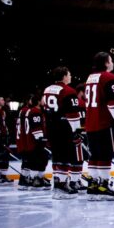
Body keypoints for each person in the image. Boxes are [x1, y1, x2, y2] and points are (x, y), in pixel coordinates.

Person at [83, 52, 114, 200]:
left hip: (91, 123)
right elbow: (112, 102)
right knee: (105, 155)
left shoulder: (90, 78)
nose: (112, 63)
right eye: (111, 60)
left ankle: (93, 184)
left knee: (94, 155)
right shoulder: (109, 77)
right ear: (106, 62)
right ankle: (104, 184)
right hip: (104, 122)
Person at [42, 67, 83, 198]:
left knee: (57, 157)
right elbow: (73, 114)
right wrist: (76, 131)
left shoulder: (47, 89)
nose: (70, 77)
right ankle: (62, 185)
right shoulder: (69, 91)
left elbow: (44, 106)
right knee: (65, 157)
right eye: (69, 74)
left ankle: (57, 183)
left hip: (51, 126)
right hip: (63, 126)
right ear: (64, 76)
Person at [15, 94, 48, 189]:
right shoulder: (34, 111)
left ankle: (26, 179)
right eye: (42, 99)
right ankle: (35, 179)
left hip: (27, 140)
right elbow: (36, 128)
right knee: (37, 160)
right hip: (32, 140)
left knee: (29, 160)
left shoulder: (28, 111)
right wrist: (40, 139)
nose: (44, 101)